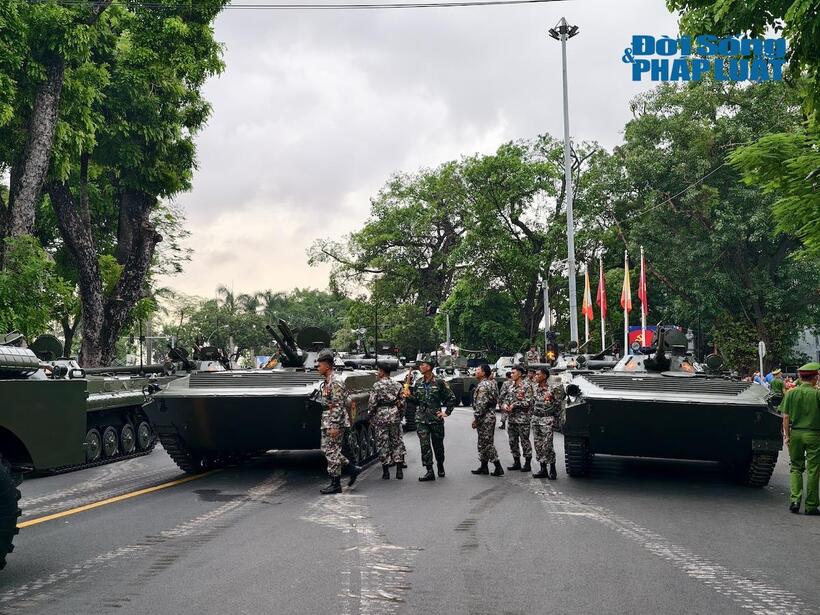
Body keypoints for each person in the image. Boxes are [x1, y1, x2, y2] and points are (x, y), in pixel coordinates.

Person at [403, 356, 456, 481]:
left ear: (429, 367)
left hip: (435, 419)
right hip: (421, 419)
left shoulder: (439, 382)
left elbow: (451, 398)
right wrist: (408, 397)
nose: (421, 366)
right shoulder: (419, 383)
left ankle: (440, 465)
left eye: (423, 364)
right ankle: (429, 470)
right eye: (420, 364)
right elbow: (417, 401)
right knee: (424, 445)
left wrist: (446, 412)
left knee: (438, 446)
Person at [316, 350, 361, 495]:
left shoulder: (335, 382)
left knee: (332, 451)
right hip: (328, 420)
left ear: (327, 366)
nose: (318, 367)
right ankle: (352, 468)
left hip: (335, 422)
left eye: (319, 365)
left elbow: (337, 405)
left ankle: (336, 484)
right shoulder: (328, 381)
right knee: (327, 450)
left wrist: (334, 425)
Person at [781, 362, 820, 515]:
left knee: (796, 468)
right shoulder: (817, 394)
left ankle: (795, 500)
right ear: (815, 378)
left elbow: (785, 417)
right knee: (813, 470)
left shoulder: (791, 393)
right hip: (814, 435)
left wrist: (787, 436)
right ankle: (811, 505)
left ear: (801, 377)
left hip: (796, 433)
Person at [368, 362, 405, 480]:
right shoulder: (397, 385)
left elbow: (372, 403)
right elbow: (402, 402)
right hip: (394, 414)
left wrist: (370, 416)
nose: (377, 373)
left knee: (383, 443)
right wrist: (400, 415)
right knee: (397, 441)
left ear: (382, 372)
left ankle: (386, 472)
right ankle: (399, 471)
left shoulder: (377, 385)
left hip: (381, 416)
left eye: (378, 371)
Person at [470, 364, 504, 476]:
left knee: (487, 443)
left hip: (485, 417)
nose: (476, 371)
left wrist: (476, 419)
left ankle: (498, 466)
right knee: (482, 442)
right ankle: (484, 466)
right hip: (488, 416)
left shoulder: (484, 385)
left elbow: (481, 405)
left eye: (478, 369)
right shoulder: (491, 383)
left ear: (483, 373)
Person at [498, 365, 533, 472]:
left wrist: (515, 405)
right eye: (511, 373)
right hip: (512, 418)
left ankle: (527, 463)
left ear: (520, 374)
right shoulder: (511, 386)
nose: (511, 374)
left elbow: (528, 402)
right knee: (512, 441)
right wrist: (505, 405)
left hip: (523, 419)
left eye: (514, 373)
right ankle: (516, 462)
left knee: (525, 441)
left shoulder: (527, 386)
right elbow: (506, 399)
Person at [531, 367, 558, 479]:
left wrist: (556, 420)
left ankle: (552, 469)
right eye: (535, 374)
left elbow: (558, 404)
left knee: (547, 445)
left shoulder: (552, 389)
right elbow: (531, 403)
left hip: (547, 420)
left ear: (545, 376)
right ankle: (543, 469)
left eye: (538, 374)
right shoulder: (534, 388)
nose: (536, 376)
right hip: (536, 419)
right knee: (538, 445)